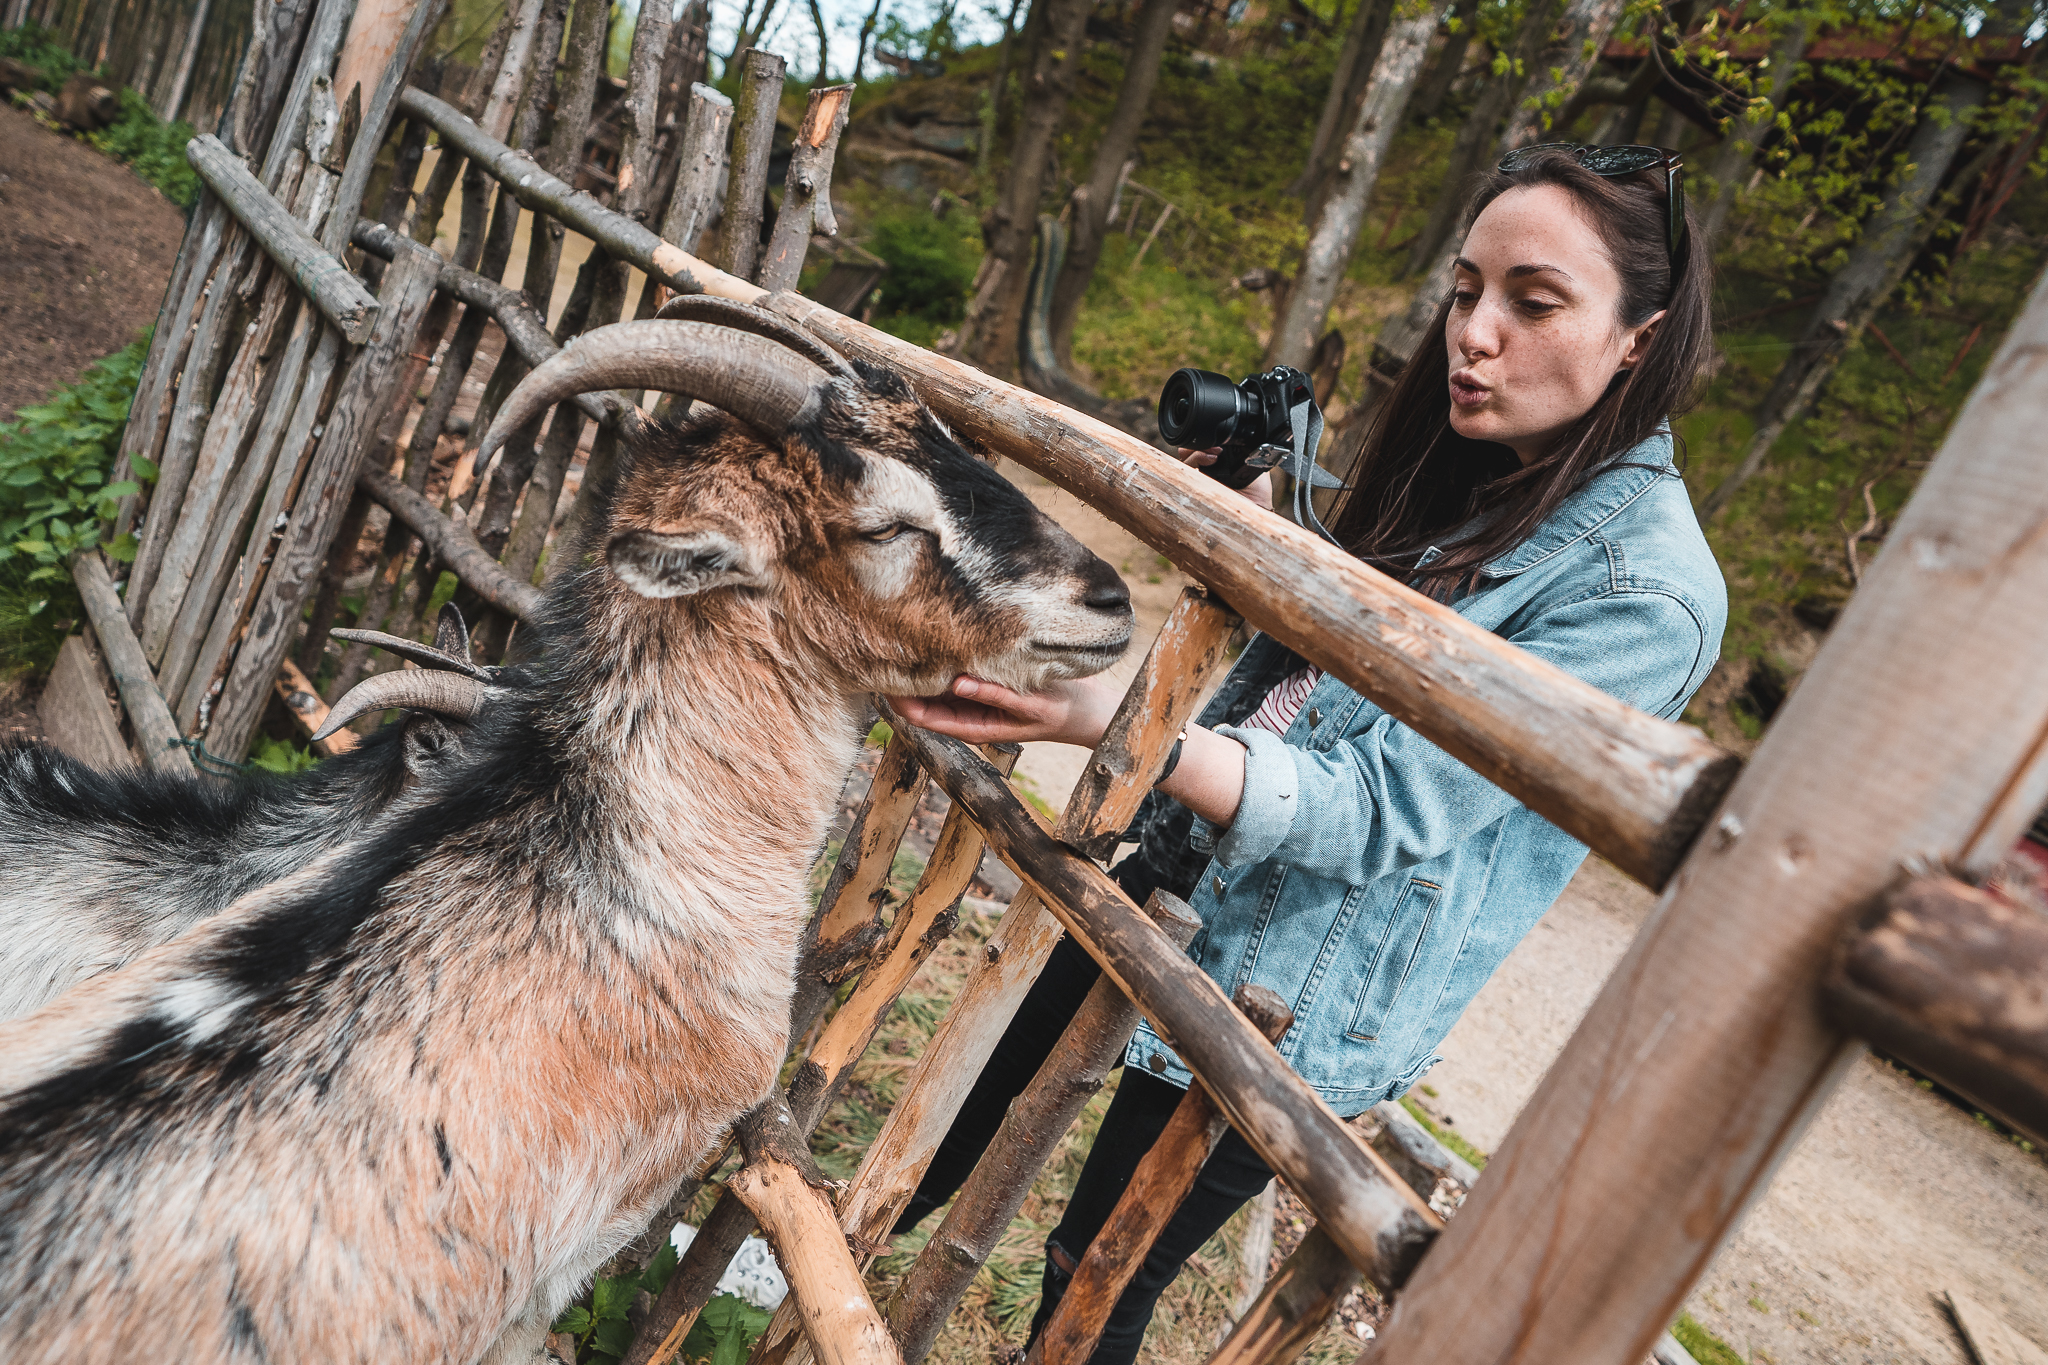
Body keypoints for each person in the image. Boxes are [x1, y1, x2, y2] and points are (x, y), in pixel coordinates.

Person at [886, 143, 1727, 1364]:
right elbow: (1312, 673)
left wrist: (1129, 731)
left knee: (1094, 1274)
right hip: (1173, 859)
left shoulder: (1644, 591)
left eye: (1532, 303)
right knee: (961, 1105)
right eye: (1463, 291)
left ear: (1636, 340)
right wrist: (1250, 518)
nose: (1473, 335)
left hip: (1292, 979)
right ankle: (802, 1279)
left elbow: (1378, 809)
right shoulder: (1468, 472)